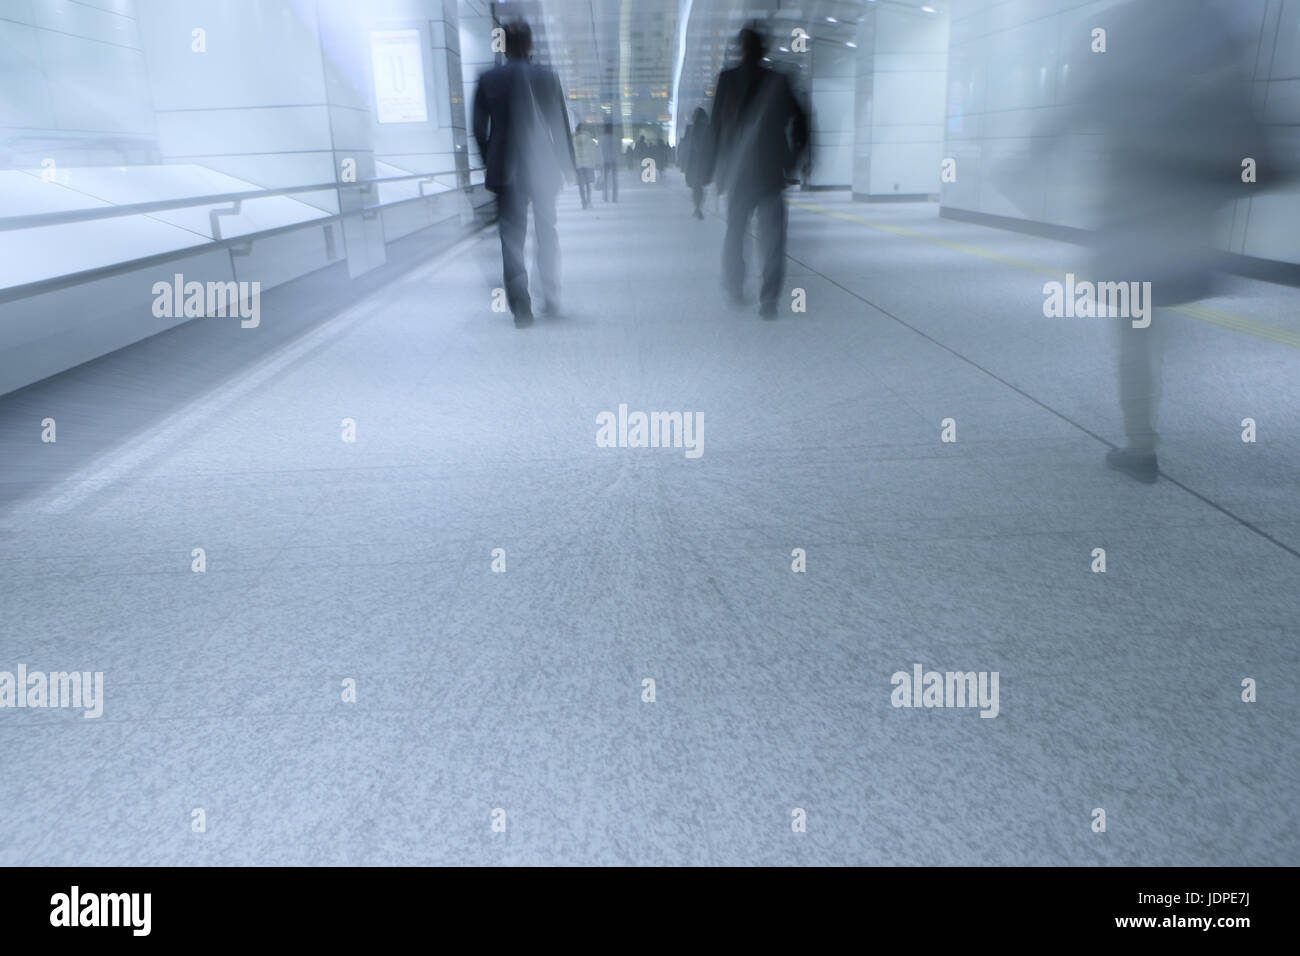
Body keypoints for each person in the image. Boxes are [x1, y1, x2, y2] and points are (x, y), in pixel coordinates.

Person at [472, 21, 576, 325]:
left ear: (502, 45)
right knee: (547, 232)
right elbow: (560, 126)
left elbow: (479, 130)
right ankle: (551, 297)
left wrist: (489, 160)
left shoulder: (488, 79)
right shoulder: (547, 77)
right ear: (530, 45)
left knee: (511, 237)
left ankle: (521, 307)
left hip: (506, 171)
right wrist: (567, 165)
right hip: (542, 169)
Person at [708, 26, 808, 318]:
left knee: (735, 233)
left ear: (740, 48)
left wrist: (711, 168)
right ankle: (769, 301)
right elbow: (801, 121)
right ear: (764, 49)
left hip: (739, 174)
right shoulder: (779, 81)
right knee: (773, 240)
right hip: (770, 174)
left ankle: (736, 288)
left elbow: (715, 128)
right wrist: (792, 160)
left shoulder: (726, 81)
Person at [680, 107, 712, 219]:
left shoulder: (690, 128)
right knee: (699, 185)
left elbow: (685, 146)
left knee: (695, 185)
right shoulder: (708, 128)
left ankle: (697, 207)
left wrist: (682, 161)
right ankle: (698, 207)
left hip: (692, 161)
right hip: (703, 161)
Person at [573, 122, 599, 209]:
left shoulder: (573, 139)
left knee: (581, 184)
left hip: (578, 164)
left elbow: (572, 153)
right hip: (588, 164)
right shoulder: (589, 139)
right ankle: (588, 199)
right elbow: (593, 152)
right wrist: (594, 163)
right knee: (588, 183)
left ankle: (583, 201)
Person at [600, 123, 620, 203]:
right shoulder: (615, 138)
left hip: (605, 161)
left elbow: (599, 150)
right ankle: (614, 197)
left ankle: (605, 196)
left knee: (605, 180)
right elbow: (618, 150)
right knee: (614, 180)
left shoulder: (601, 138)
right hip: (614, 161)